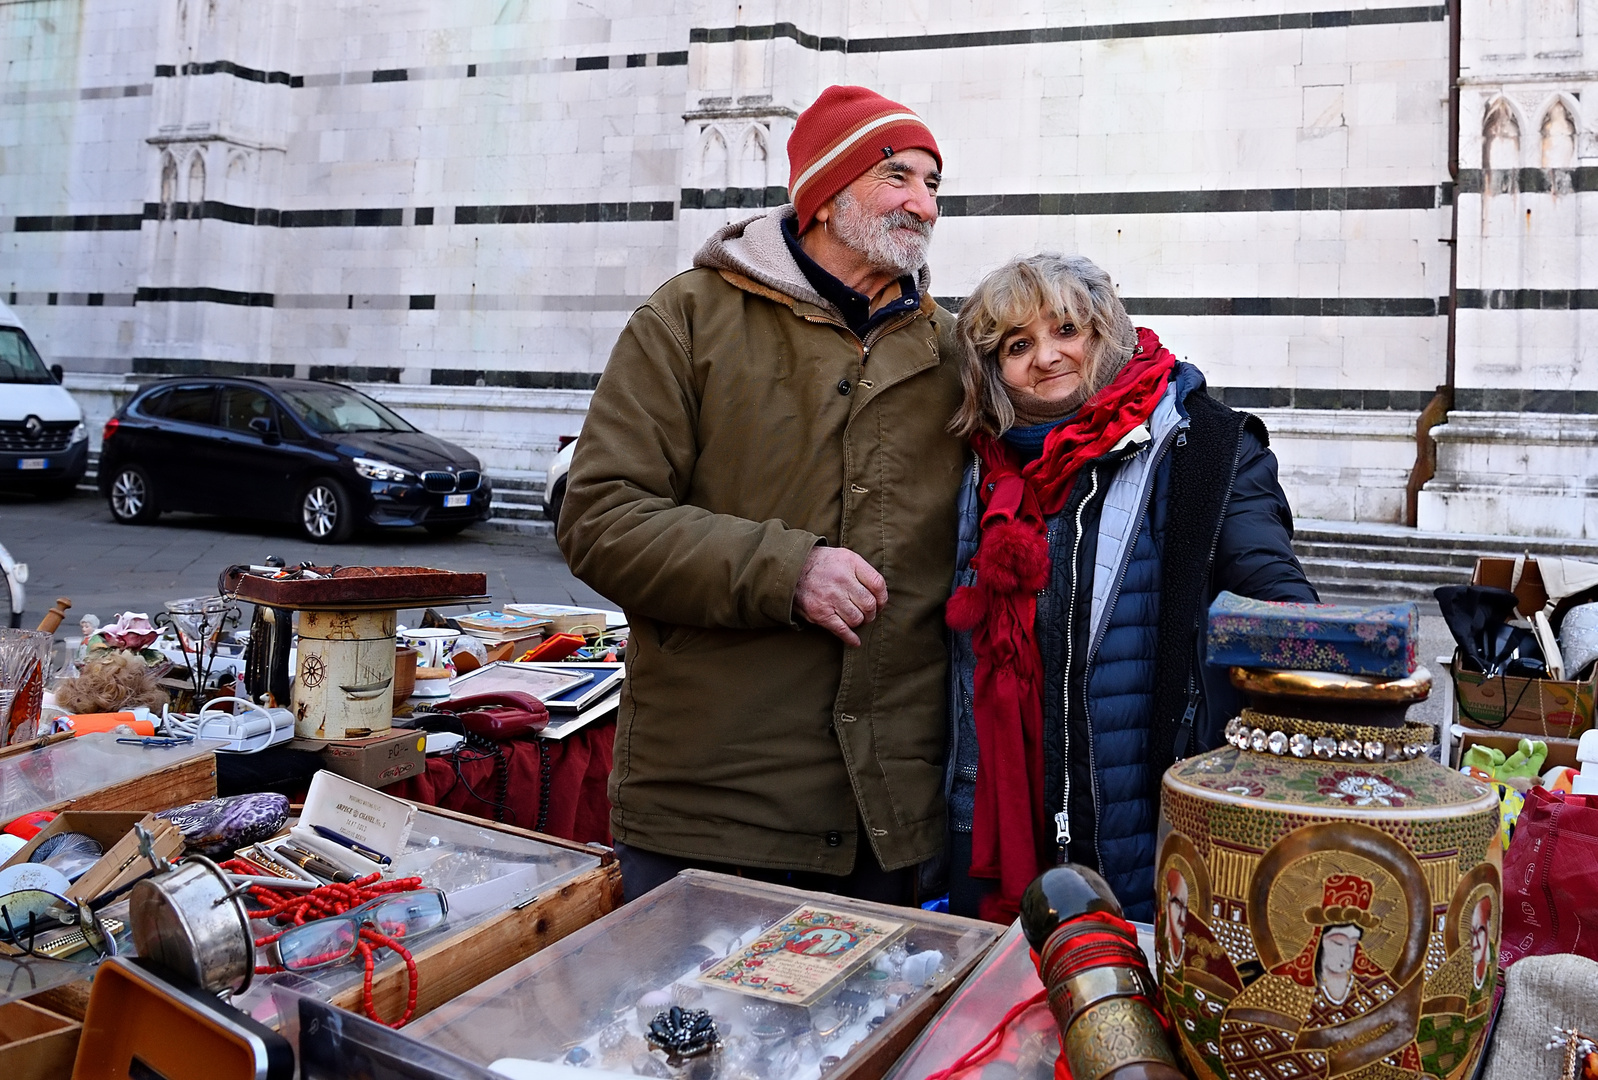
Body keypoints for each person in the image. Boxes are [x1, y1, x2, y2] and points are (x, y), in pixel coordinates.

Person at [557, 86, 965, 905]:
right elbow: (600, 517)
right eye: (898, 176)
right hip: (712, 809)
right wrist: (789, 570)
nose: (923, 203)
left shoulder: (955, 349)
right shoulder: (688, 319)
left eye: (934, 183)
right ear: (825, 194)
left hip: (885, 816)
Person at [944, 253, 1319, 922]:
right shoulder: (974, 468)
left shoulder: (1202, 445)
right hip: (1001, 827)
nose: (1046, 357)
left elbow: (1271, 589)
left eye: (1066, 329)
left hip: (1149, 830)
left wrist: (1319, 657)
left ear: (1105, 333)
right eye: (1017, 344)